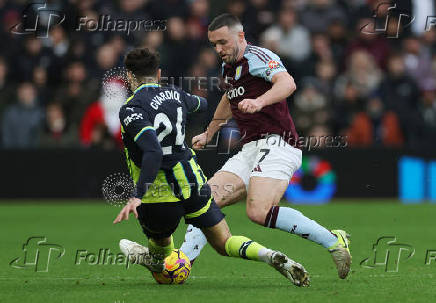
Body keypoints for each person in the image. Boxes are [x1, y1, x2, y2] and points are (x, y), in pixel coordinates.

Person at [112, 48, 310, 287]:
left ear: (129, 76)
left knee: (163, 264)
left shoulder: (131, 108)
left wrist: (137, 196)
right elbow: (201, 104)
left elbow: (153, 151)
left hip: (159, 195)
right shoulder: (175, 93)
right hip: (194, 184)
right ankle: (268, 255)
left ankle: (155, 259)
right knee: (224, 242)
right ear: (159, 73)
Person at [179, 14, 351, 279]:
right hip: (250, 148)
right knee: (204, 201)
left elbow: (287, 83)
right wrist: (210, 132)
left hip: (279, 142)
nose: (218, 49)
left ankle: (333, 240)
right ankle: (181, 265)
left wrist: (259, 102)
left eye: (222, 43)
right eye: (214, 44)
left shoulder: (258, 57)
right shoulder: (228, 67)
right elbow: (228, 97)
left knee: (257, 212)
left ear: (240, 36)